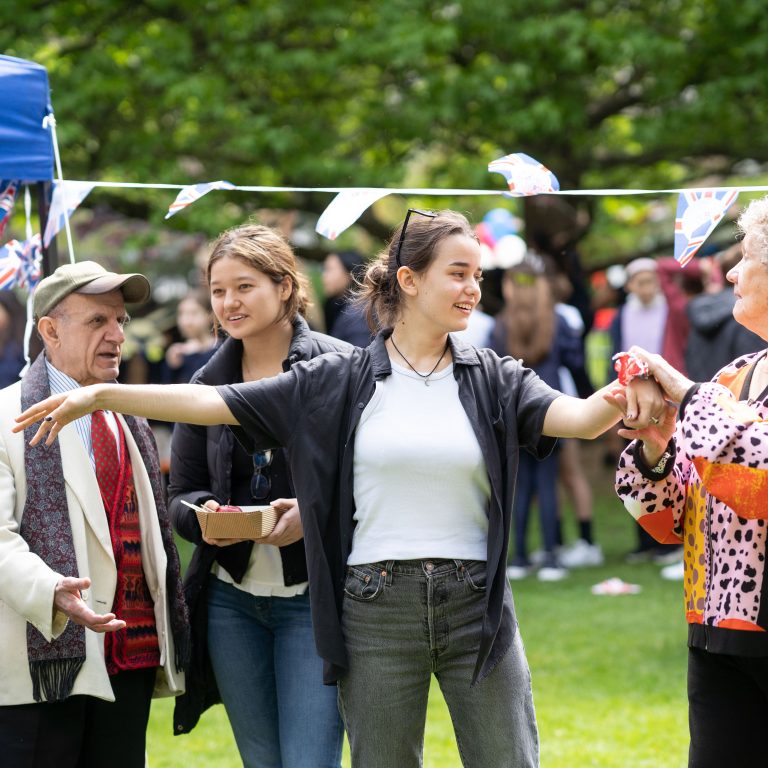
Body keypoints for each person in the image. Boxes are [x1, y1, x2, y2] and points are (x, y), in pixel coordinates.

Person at [15, 210, 663, 768]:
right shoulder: (343, 378)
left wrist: (619, 395)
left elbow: (576, 419)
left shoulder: (494, 377)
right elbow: (212, 403)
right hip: (375, 606)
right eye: (459, 274)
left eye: (478, 276)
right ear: (409, 281)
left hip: (477, 607)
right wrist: (102, 394)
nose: (474, 289)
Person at [168, 224, 346, 767]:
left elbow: (367, 485)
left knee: (310, 760)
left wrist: (311, 515)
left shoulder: (340, 368)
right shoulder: (205, 383)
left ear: (285, 286)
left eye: (244, 287)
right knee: (261, 761)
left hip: (312, 603)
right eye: (218, 291)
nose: (228, 303)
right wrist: (206, 518)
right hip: (230, 604)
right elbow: (180, 493)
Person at [0, 260, 189, 767]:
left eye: (120, 322)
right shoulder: (3, 416)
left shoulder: (129, 416)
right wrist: (51, 591)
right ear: (50, 330)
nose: (116, 335)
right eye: (97, 321)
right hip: (41, 654)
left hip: (128, 652)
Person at [612, 195, 768, 768]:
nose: (728, 271)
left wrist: (686, 394)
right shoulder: (734, 376)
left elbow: (760, 480)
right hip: (716, 632)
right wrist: (655, 442)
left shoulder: (710, 391)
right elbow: (668, 521)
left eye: (744, 256)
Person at [161, 289, 218, 384]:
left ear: (210, 315)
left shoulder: (222, 349)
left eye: (194, 313)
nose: (186, 321)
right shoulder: (177, 354)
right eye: (182, 314)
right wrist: (172, 367)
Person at [321, 250, 372, 347]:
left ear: (350, 274)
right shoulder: (333, 306)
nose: (324, 276)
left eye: (329, 269)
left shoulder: (359, 313)